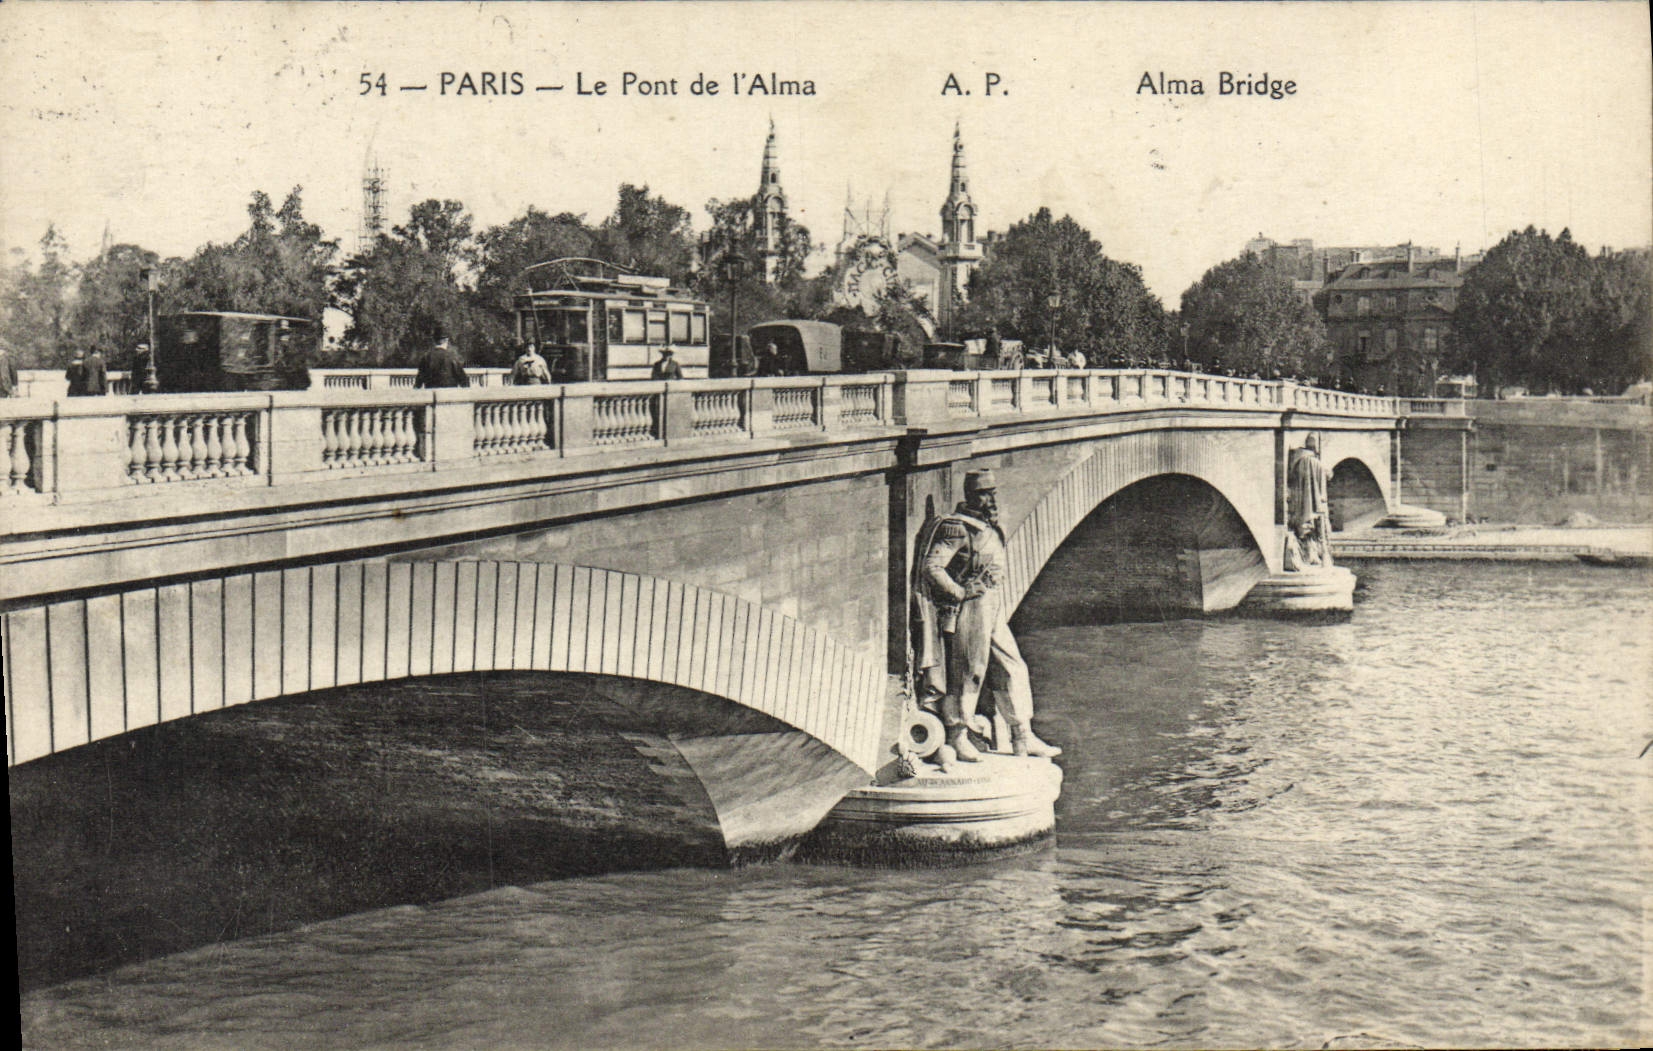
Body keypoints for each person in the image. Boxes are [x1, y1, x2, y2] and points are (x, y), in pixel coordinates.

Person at [913, 468, 1062, 761]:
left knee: (1013, 665)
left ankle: (1022, 735)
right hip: (971, 608)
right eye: (984, 494)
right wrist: (960, 592)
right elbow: (932, 567)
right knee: (969, 671)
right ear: (970, 495)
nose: (991, 500)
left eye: (992, 493)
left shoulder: (988, 527)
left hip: (993, 605)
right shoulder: (957, 528)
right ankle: (957, 735)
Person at [1288, 434, 1333, 565]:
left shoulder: (1298, 460)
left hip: (1301, 504)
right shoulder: (1317, 463)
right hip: (1317, 503)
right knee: (1319, 529)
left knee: (1307, 530)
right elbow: (1329, 474)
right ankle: (1318, 556)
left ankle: (1309, 555)